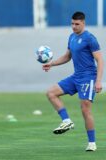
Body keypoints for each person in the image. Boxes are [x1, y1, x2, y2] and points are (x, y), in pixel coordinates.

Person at [43, 11, 104, 151]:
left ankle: (92, 143)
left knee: (85, 109)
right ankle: (66, 121)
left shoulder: (90, 38)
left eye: (77, 24)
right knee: (51, 93)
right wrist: (51, 64)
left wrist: (98, 81)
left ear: (83, 23)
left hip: (88, 78)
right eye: (72, 24)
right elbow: (67, 56)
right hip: (76, 76)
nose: (74, 26)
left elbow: (100, 60)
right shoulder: (71, 37)